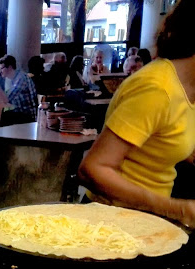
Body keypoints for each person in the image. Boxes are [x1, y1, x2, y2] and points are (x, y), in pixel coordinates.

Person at [77, 0, 195, 228]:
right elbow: (92, 169)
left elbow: (163, 140)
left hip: (147, 221)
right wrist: (177, 209)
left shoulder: (187, 89)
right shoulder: (157, 88)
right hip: (112, 224)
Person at [0, 54, 38, 125]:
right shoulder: (15, 78)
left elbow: (7, 100)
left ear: (9, 67)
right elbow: (7, 100)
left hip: (27, 117)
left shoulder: (21, 79)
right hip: (19, 113)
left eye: (1, 68)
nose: (0, 71)